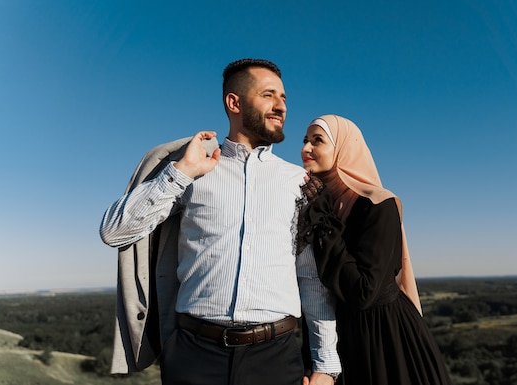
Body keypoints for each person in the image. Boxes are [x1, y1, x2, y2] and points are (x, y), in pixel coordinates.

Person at [99, 59, 341, 385]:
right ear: (234, 102)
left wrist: (325, 366)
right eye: (269, 95)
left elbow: (311, 277)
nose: (281, 106)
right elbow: (114, 232)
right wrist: (181, 173)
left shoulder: (298, 182)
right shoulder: (192, 169)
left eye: (283, 98)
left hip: (275, 359)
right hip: (193, 355)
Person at [298, 114, 452, 385]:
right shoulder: (314, 203)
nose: (306, 148)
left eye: (317, 140)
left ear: (344, 149)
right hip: (334, 338)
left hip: (382, 339)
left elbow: (363, 291)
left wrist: (322, 218)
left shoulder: (379, 206)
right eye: (305, 140)